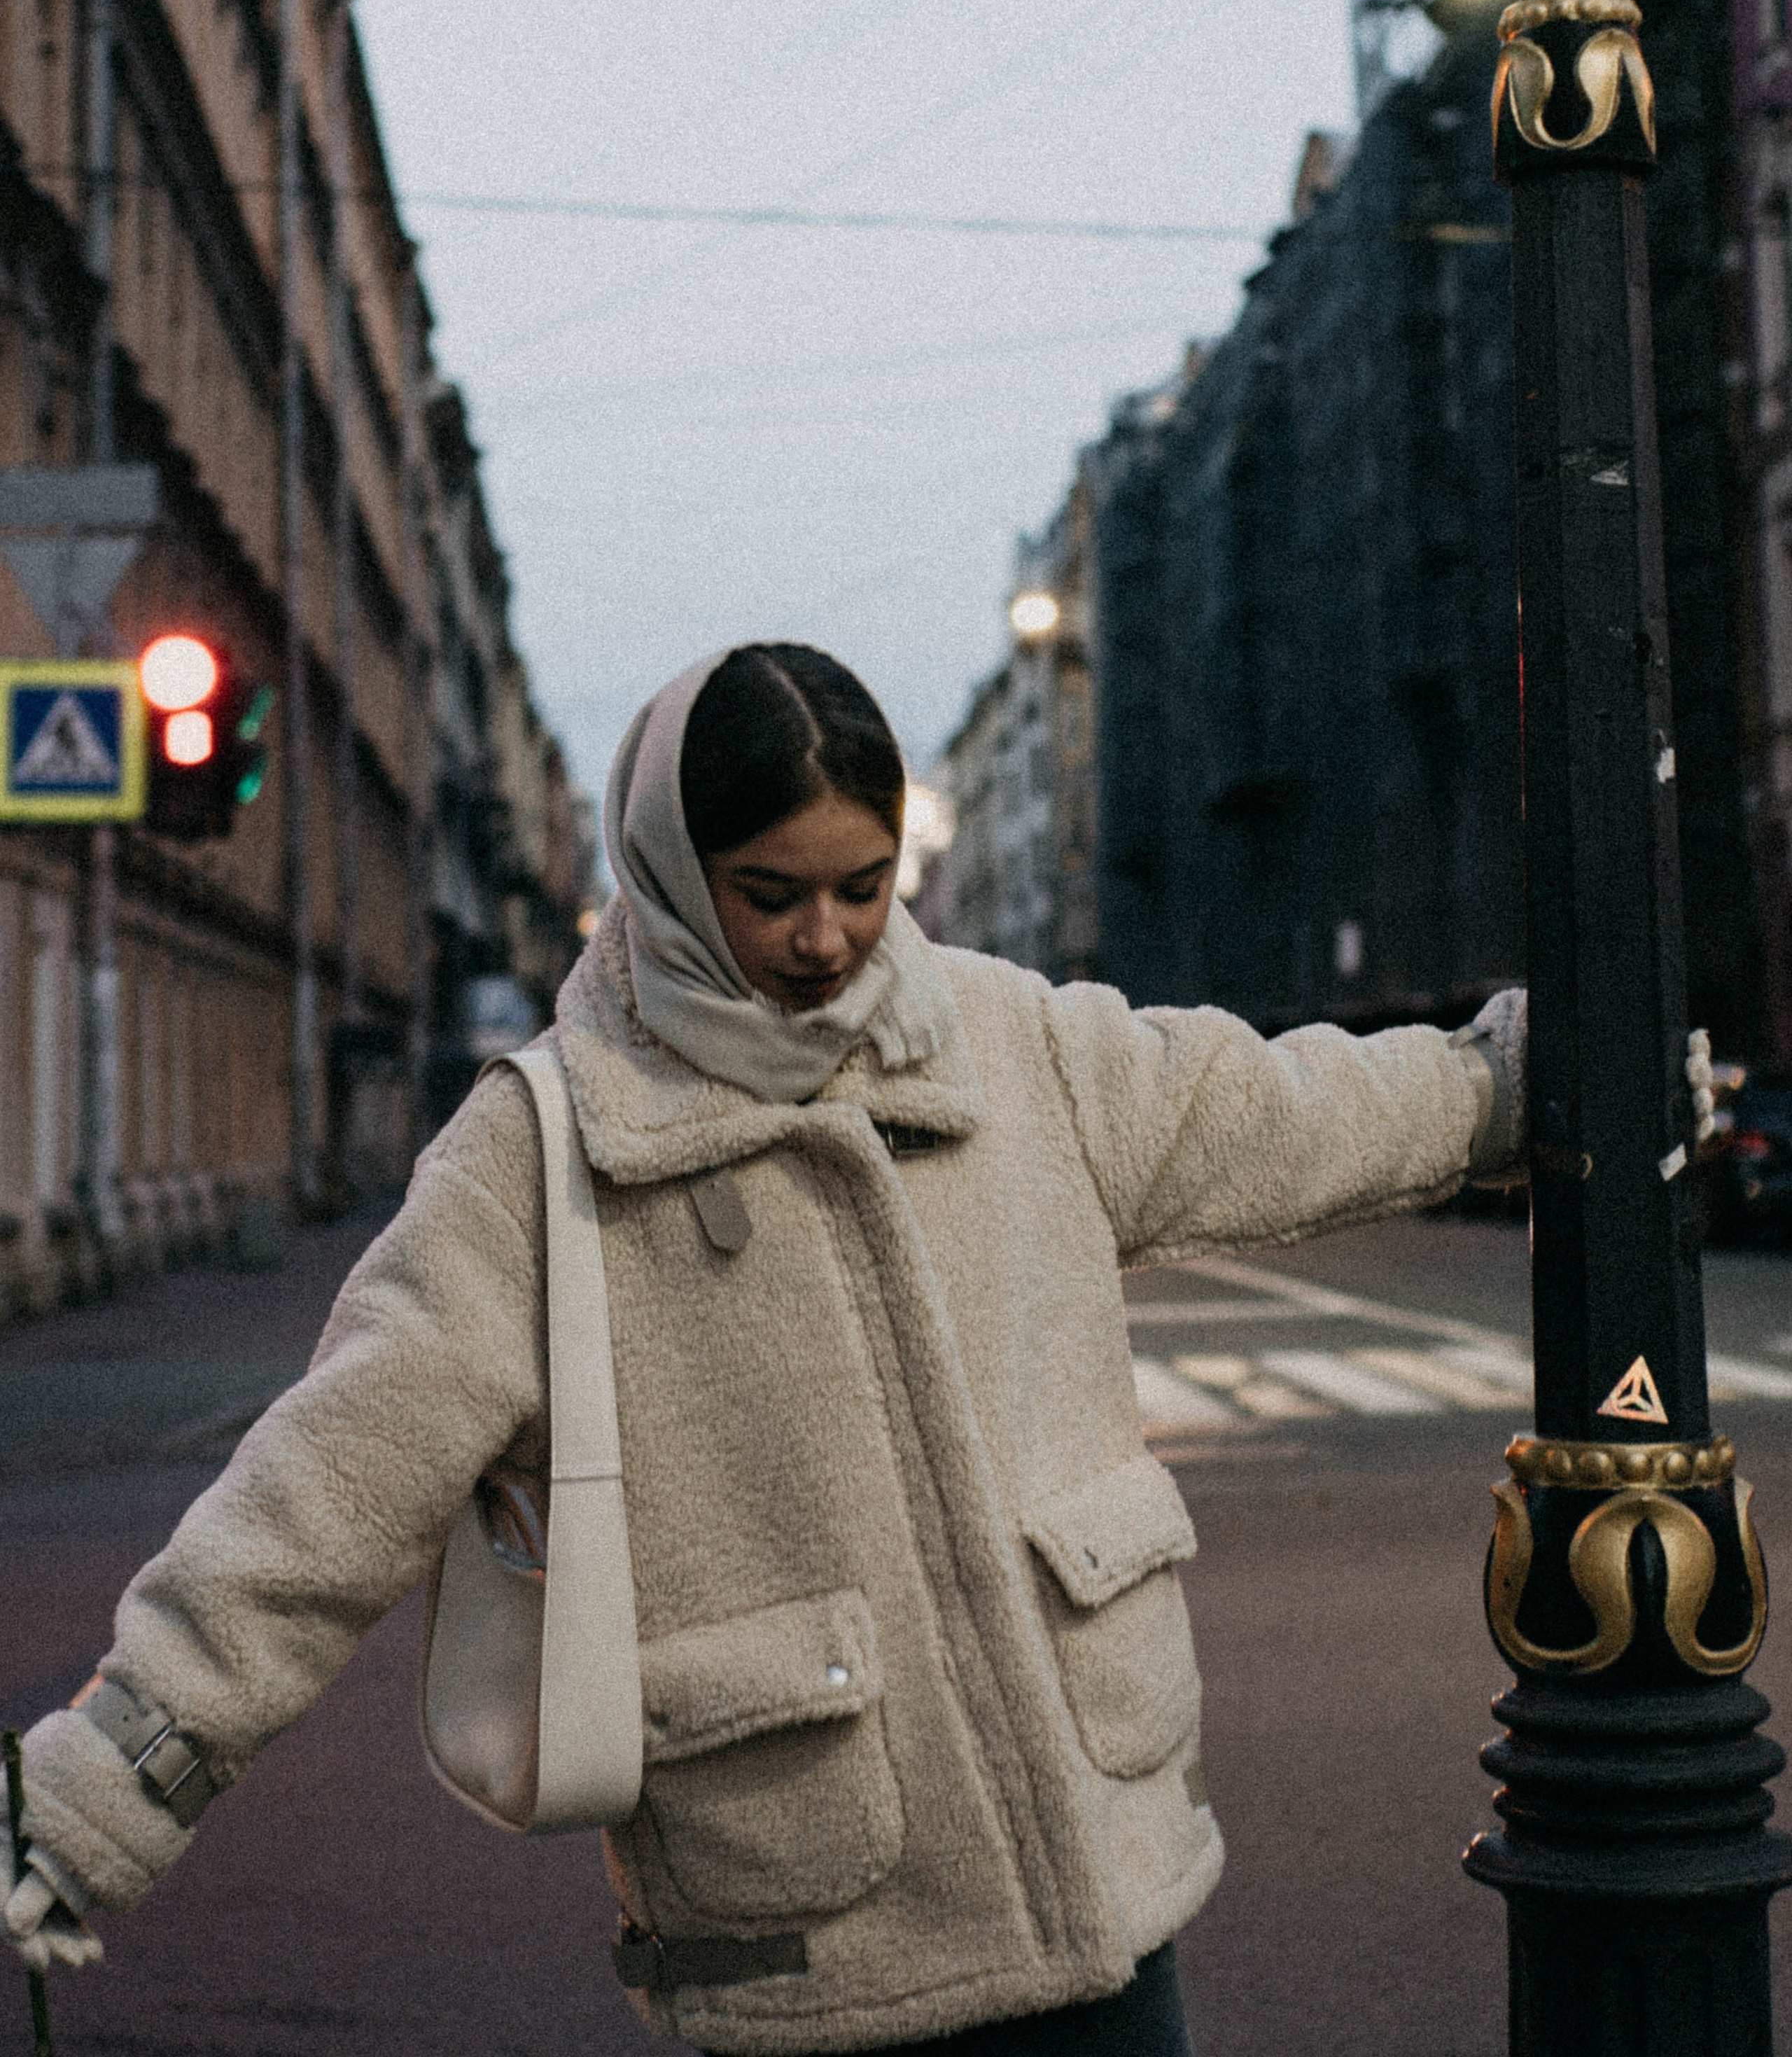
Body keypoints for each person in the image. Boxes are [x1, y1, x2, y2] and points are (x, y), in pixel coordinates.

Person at [6, 643, 1532, 2054]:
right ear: (668, 875)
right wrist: (99, 1796)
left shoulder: (1010, 1046)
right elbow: (328, 1487)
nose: (825, 940)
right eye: (769, 891)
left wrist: (1515, 1081)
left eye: (863, 886)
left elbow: (1270, 1112)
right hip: (810, 1922)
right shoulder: (544, 1146)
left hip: (1102, 1895)